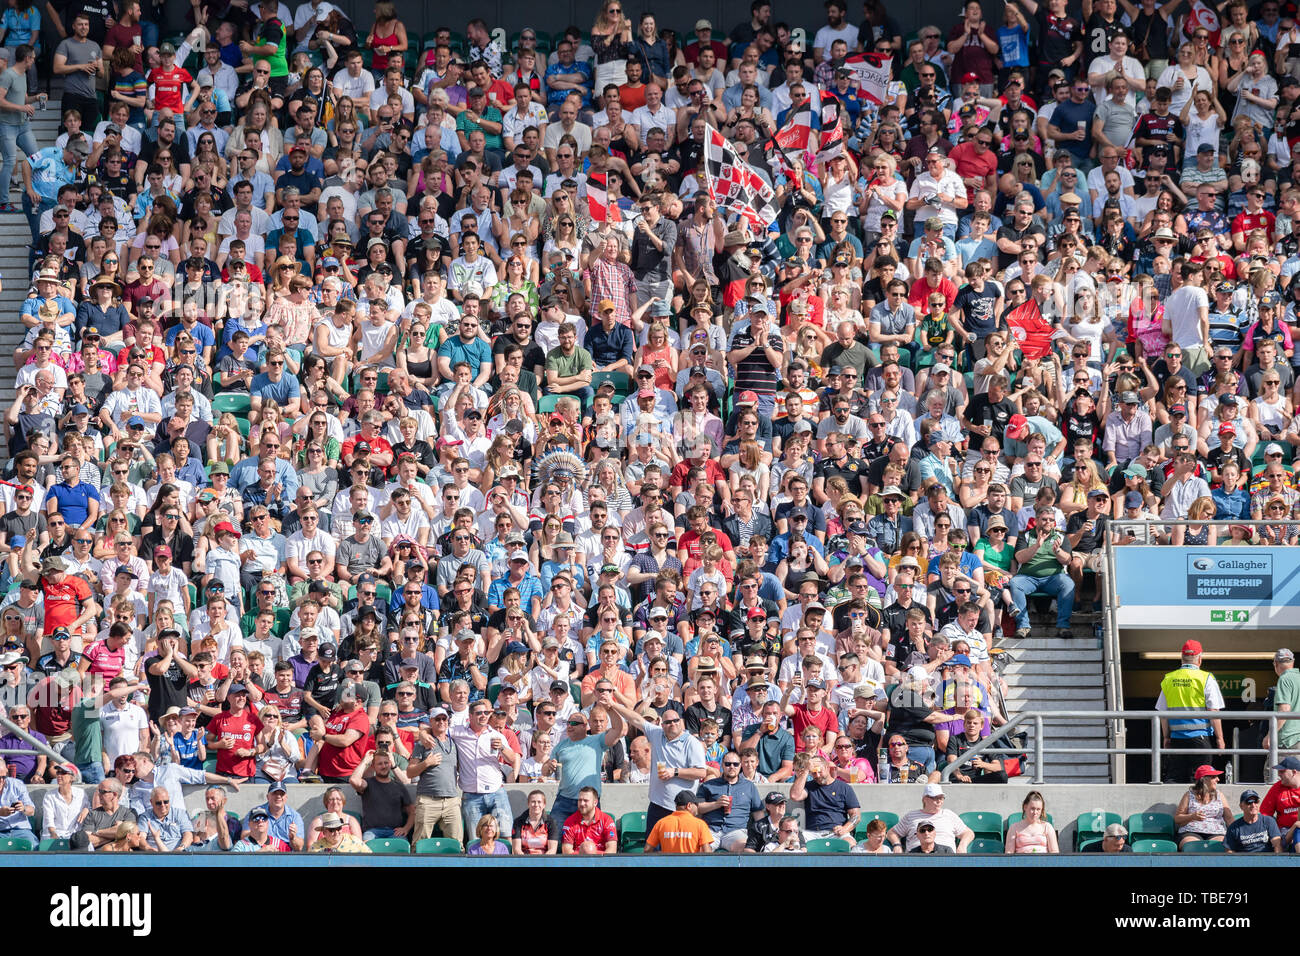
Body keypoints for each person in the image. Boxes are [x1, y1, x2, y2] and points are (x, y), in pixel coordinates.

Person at [608, 700, 708, 831]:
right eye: (668, 722)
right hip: (657, 805)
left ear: (681, 722)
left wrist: (675, 772)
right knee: (651, 848)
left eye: (676, 720)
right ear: (662, 724)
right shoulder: (656, 734)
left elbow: (701, 772)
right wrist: (613, 704)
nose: (672, 724)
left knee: (678, 849)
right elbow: (635, 719)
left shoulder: (692, 743)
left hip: (682, 808)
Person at [1156, 639, 1225, 783]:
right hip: (1199, 739)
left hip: (1176, 739)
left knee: (1175, 778)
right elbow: (1213, 711)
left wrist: (1166, 737)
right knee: (1201, 782)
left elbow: (1163, 713)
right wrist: (1220, 739)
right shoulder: (1206, 678)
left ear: (1182, 658)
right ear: (1200, 659)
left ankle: (1177, 806)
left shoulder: (1169, 679)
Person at [696, 749, 764, 852]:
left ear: (740, 766)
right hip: (711, 830)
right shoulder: (708, 785)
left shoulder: (749, 786)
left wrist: (761, 833)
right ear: (722, 765)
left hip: (736, 831)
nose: (732, 767)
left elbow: (758, 814)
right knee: (700, 849)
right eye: (728, 764)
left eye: (735, 764)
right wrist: (716, 804)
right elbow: (698, 808)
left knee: (747, 849)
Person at [789, 752, 861, 841]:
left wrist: (845, 828)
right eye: (814, 773)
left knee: (850, 843)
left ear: (827, 767)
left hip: (836, 831)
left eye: (820, 771)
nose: (817, 776)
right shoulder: (809, 786)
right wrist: (806, 771)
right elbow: (794, 796)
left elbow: (856, 815)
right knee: (794, 841)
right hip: (812, 832)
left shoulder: (844, 787)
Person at [887, 783, 974, 853]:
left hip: (946, 857)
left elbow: (968, 833)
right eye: (935, 798)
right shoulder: (911, 816)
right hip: (916, 858)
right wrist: (897, 845)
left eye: (941, 798)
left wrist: (962, 846)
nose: (939, 801)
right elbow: (892, 833)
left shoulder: (949, 814)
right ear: (925, 799)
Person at [1174, 765, 1234, 848]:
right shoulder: (1189, 795)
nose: (1218, 779)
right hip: (1191, 831)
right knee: (1190, 845)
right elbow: (1177, 818)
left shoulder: (1219, 795)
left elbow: (1229, 818)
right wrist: (1192, 816)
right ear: (1204, 780)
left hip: (1216, 832)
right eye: (1214, 777)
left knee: (1222, 845)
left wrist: (1237, 833)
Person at [644, 789, 715, 853]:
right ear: (689, 805)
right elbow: (707, 853)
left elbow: (647, 850)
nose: (697, 807)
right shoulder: (700, 824)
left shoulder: (661, 823)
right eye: (696, 804)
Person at [560, 785, 617, 855]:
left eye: (585, 801)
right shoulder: (570, 821)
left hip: (600, 862)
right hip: (578, 862)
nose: (581, 803)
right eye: (580, 800)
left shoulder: (606, 820)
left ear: (595, 802)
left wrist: (594, 857)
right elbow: (566, 851)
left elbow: (612, 849)